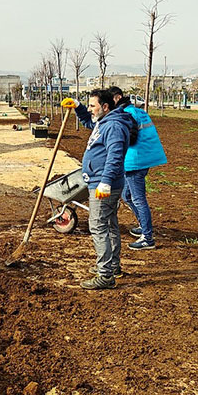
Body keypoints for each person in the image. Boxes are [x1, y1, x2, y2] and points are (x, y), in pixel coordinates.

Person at [64, 90, 132, 290]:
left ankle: (105, 275)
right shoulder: (104, 122)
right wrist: (78, 107)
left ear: (105, 107)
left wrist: (105, 181)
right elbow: (89, 122)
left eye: (93, 105)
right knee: (109, 224)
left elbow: (115, 155)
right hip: (101, 181)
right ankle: (113, 266)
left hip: (103, 184)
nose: (90, 109)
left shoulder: (114, 126)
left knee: (98, 226)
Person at [109, 86, 167, 250]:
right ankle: (144, 226)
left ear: (118, 97)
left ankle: (147, 238)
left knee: (138, 198)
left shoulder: (127, 114)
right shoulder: (137, 111)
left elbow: (130, 139)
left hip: (135, 161)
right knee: (126, 195)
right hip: (144, 157)